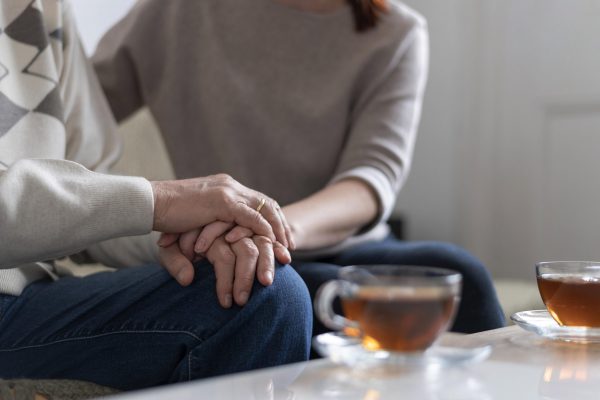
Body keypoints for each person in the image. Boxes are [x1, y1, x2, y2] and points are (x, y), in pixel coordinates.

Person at [93, 0, 505, 334]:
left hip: (328, 246)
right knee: (283, 294)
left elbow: (371, 177)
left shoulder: (397, 32)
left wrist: (269, 228)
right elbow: (78, 111)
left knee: (461, 276)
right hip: (232, 254)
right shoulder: (177, 10)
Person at [0, 0, 312, 393]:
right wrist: (161, 202)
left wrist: (195, 237)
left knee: (265, 290)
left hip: (31, 296)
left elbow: (93, 180)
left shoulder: (41, 8)